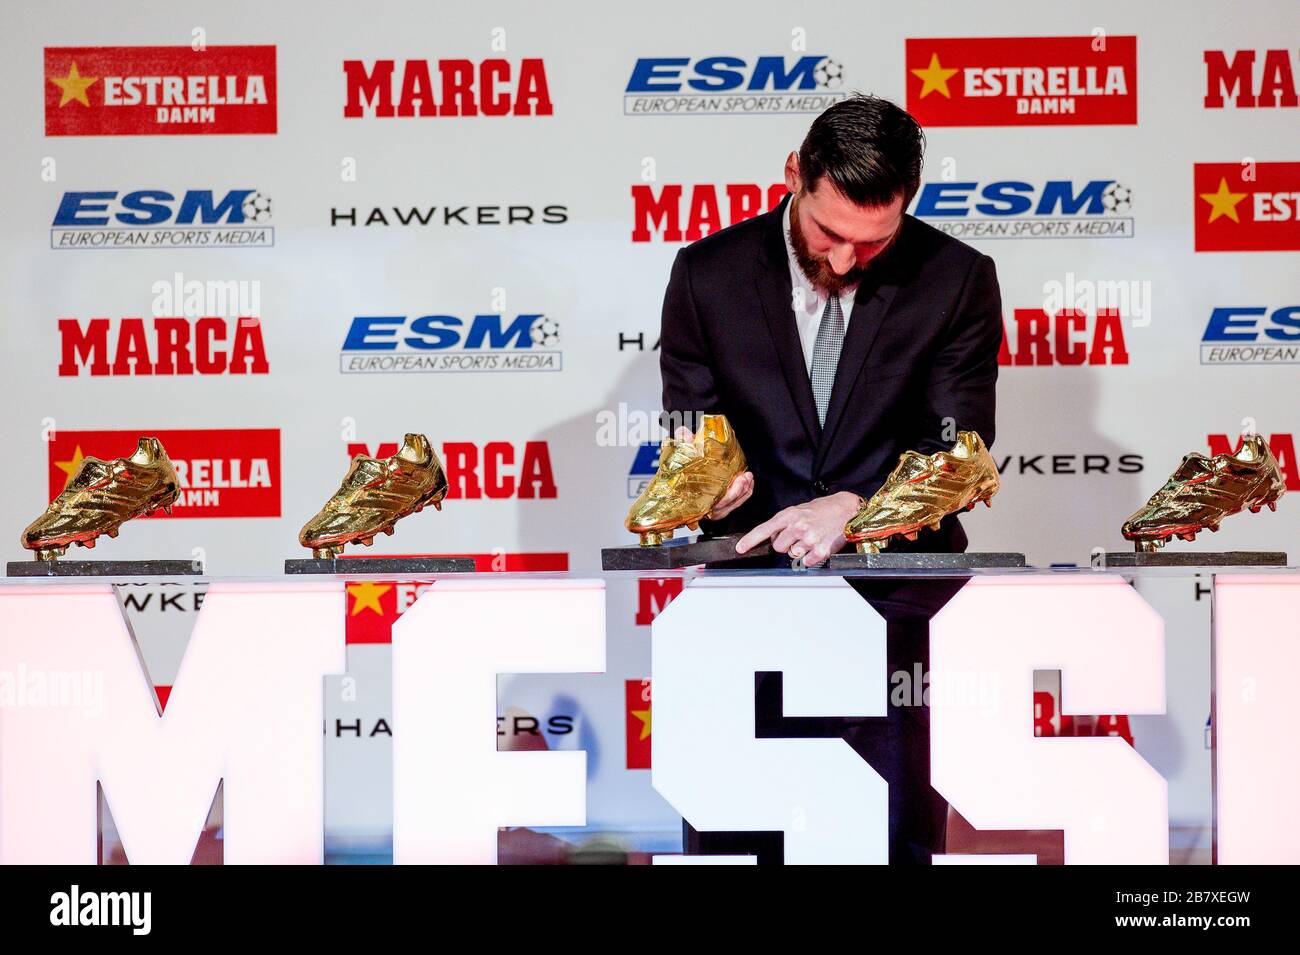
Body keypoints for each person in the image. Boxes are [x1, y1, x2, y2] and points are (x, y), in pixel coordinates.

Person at [658, 94, 1003, 863]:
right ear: (794, 174)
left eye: (873, 242)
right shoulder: (704, 276)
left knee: (890, 834)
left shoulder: (957, 280)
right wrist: (711, 483)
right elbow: (692, 432)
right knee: (737, 836)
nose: (846, 260)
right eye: (829, 233)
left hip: (894, 601)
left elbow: (957, 451)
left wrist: (857, 507)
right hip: (749, 599)